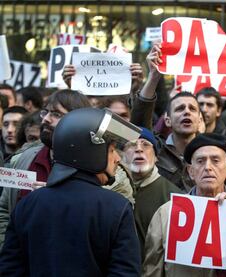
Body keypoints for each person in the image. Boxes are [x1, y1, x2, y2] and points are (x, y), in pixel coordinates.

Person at [0, 108, 141, 276]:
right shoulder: (117, 208)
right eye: (111, 151)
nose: (117, 158)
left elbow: (10, 270)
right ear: (91, 152)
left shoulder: (26, 205)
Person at [131, 43, 226, 190]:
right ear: (167, 120)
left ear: (200, 120)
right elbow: (139, 126)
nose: (186, 112)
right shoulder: (156, 151)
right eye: (179, 109)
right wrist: (154, 76)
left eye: (192, 109)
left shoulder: (214, 147)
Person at [142, 133, 226, 276]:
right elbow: (152, 270)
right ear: (191, 171)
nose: (208, 167)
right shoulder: (166, 213)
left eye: (215, 160)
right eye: (201, 161)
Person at [0, 89, 91, 248]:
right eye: (45, 112)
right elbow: (4, 213)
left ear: (79, 121)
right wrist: (9, 255)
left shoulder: (100, 170)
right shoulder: (22, 160)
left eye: (56, 114)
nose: (46, 119)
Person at [122, 127, 181, 260]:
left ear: (156, 158)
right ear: (122, 155)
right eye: (132, 145)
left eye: (145, 144)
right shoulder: (109, 189)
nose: (138, 149)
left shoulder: (173, 196)